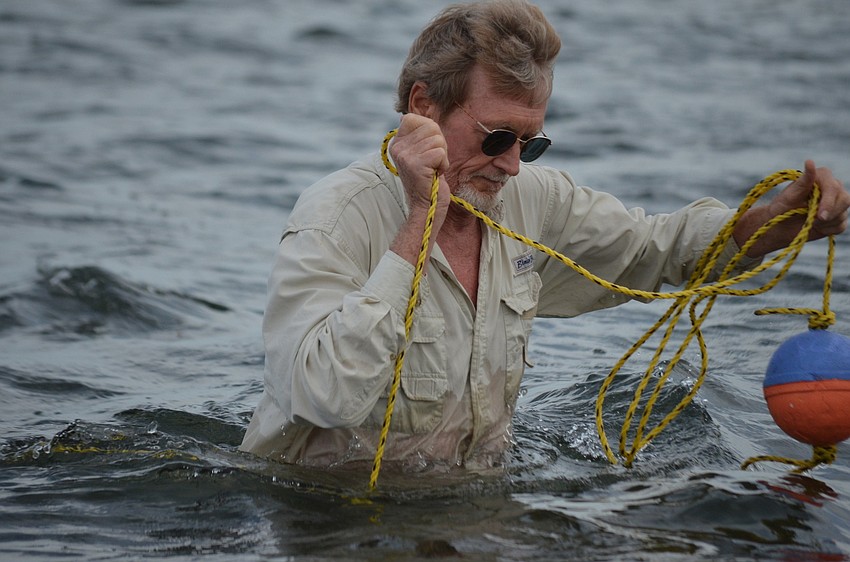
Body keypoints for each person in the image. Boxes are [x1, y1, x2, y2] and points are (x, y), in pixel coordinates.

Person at [240, 0, 849, 471]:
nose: (512, 165)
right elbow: (319, 395)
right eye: (496, 137)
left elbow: (655, 249)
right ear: (423, 108)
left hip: (475, 507)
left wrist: (779, 222)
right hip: (321, 516)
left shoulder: (531, 199)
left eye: (530, 142)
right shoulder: (337, 215)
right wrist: (416, 225)